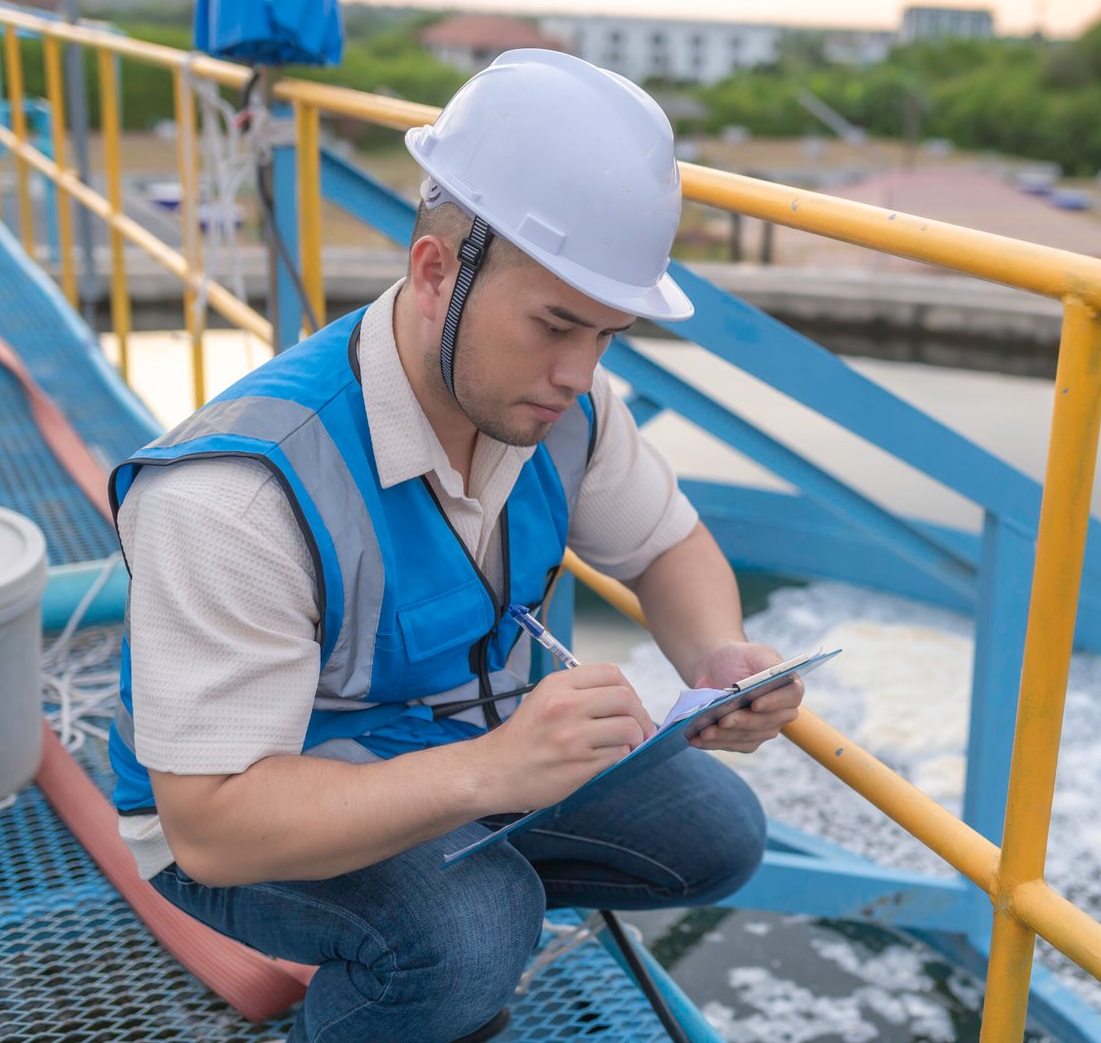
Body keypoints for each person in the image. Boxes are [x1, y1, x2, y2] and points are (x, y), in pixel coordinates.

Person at [105, 50, 796, 1043]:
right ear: (434, 271)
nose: (578, 371)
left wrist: (717, 656)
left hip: (458, 750)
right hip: (251, 809)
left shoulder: (563, 407)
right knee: (472, 924)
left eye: (609, 334)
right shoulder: (239, 492)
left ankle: (439, 925)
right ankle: (420, 961)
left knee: (718, 835)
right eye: (556, 324)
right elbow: (213, 824)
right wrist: (494, 773)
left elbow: (666, 546)